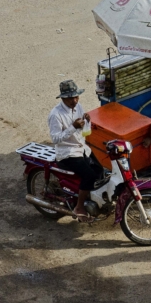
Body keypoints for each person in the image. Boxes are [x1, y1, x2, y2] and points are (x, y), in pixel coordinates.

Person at [48, 80, 98, 222]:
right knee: (89, 175)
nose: (74, 100)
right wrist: (73, 127)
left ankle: (89, 198)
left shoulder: (78, 107)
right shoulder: (56, 114)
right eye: (70, 98)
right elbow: (55, 139)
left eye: (76, 97)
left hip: (82, 148)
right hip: (67, 153)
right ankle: (79, 207)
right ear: (63, 98)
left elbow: (85, 132)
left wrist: (87, 122)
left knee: (100, 169)